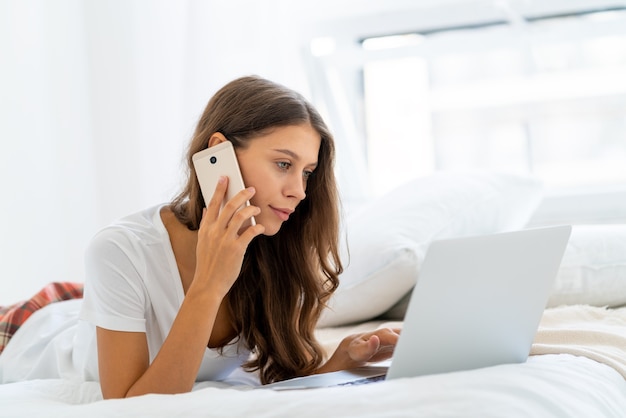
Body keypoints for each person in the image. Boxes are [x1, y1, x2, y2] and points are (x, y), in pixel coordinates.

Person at [73, 75, 399, 398]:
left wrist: (341, 361)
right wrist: (210, 284)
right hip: (40, 334)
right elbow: (128, 409)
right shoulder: (120, 250)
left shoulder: (274, 251)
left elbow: (283, 382)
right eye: (283, 164)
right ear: (219, 153)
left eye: (307, 172)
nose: (299, 191)